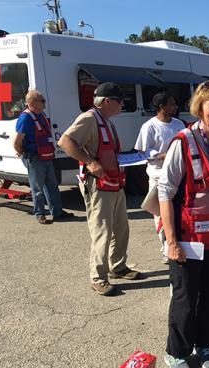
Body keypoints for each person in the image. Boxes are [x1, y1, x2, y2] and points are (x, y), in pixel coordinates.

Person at [158, 80, 209, 368]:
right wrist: (171, 240)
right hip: (187, 239)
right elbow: (165, 192)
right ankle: (176, 351)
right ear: (200, 107)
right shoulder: (183, 142)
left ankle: (204, 345)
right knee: (185, 299)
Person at [58, 82, 142, 296]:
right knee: (102, 230)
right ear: (107, 101)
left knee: (121, 227)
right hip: (99, 185)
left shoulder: (106, 121)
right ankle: (98, 277)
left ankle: (118, 266)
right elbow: (65, 141)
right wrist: (89, 162)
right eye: (119, 100)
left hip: (114, 183)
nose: (122, 104)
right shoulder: (89, 119)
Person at [134, 91, 185, 264]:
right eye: (172, 104)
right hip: (158, 176)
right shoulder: (149, 126)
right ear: (162, 107)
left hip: (178, 175)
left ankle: (178, 243)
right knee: (161, 215)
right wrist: (159, 155)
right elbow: (142, 151)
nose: (175, 107)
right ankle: (166, 248)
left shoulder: (179, 124)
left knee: (178, 212)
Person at [13, 90, 73, 224]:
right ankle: (40, 214)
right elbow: (17, 142)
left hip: (45, 156)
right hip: (34, 157)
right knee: (38, 188)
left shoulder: (41, 115)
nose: (45, 104)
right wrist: (23, 153)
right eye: (42, 101)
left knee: (52, 185)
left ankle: (57, 212)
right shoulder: (25, 118)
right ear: (32, 102)